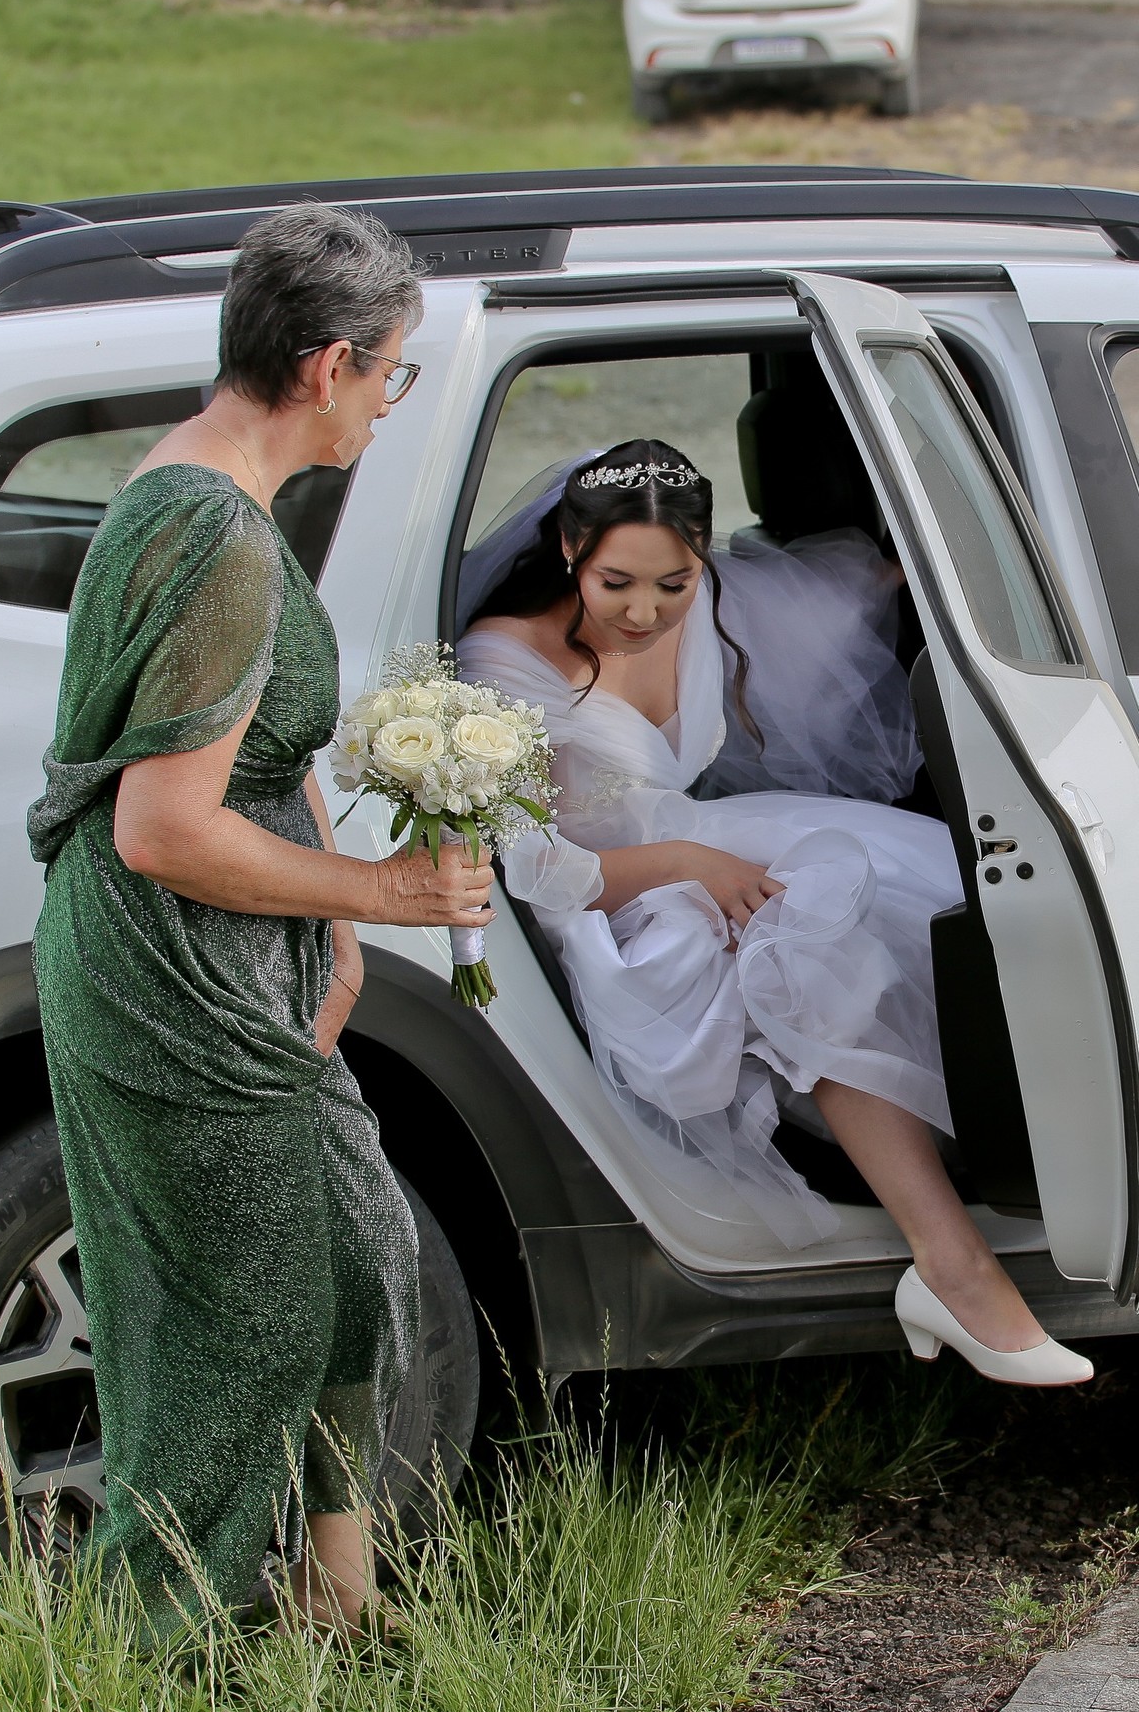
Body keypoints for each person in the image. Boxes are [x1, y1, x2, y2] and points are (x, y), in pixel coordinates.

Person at [28, 204, 495, 1640]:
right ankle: (140, 1664)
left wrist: (335, 928)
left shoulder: (218, 489)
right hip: (170, 973)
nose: (389, 400)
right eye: (392, 371)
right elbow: (162, 825)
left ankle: (332, 1594)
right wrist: (387, 894)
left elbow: (257, 752)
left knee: (355, 1257)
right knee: (236, 1338)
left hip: (251, 961)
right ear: (328, 363)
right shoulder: (213, 533)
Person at [459, 438, 1091, 1387]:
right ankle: (955, 1267)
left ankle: (1018, 1201)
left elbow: (823, 610)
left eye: (674, 584)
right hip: (603, 898)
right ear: (568, 549)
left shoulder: (710, 605)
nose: (645, 613)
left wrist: (929, 563)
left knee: (902, 896)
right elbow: (536, 867)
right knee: (805, 944)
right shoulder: (504, 660)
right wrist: (688, 867)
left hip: (698, 845)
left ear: (703, 560)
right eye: (616, 583)